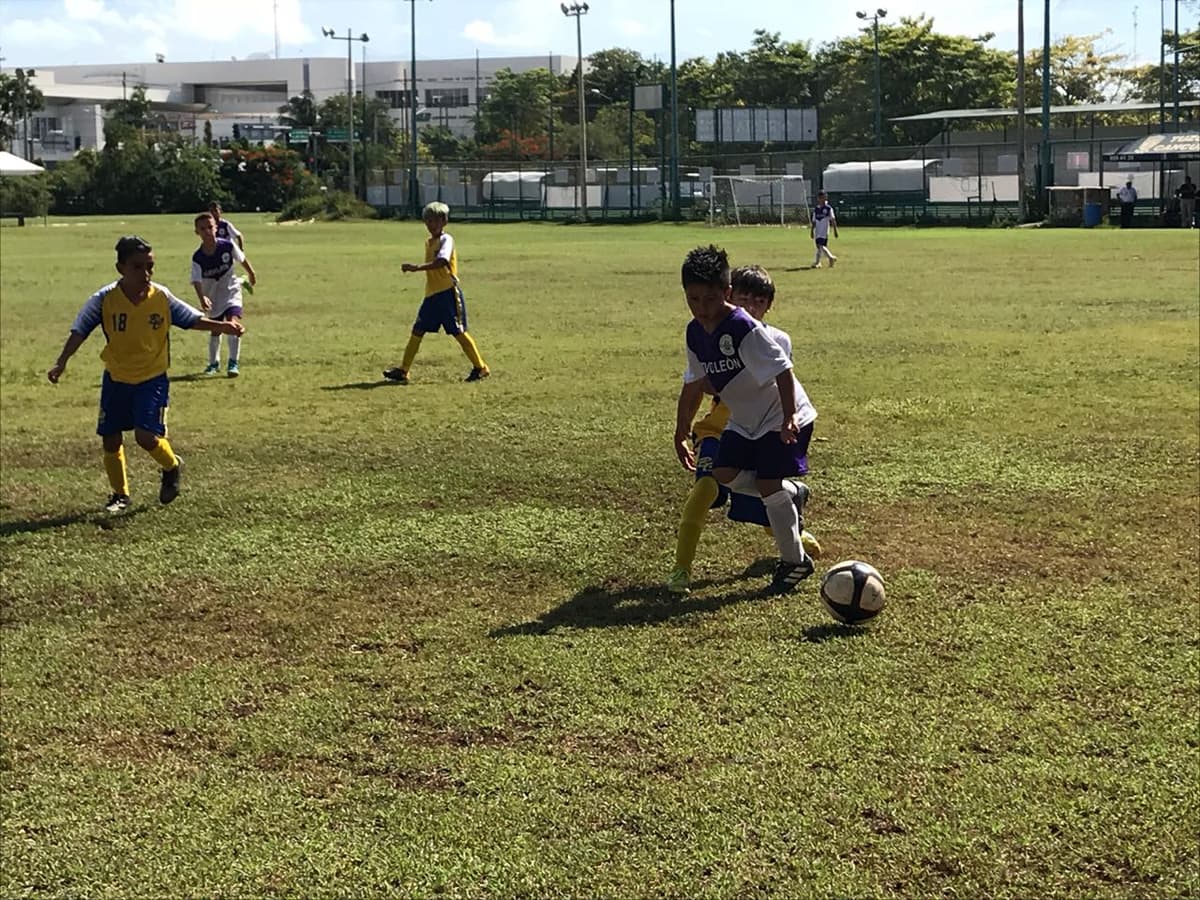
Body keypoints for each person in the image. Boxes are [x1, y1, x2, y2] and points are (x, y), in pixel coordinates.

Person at [46, 235, 245, 513]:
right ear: (121, 268)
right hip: (116, 376)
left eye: (150, 266)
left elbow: (191, 319)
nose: (146, 273)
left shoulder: (161, 296)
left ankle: (172, 466)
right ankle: (120, 495)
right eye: (138, 267)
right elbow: (80, 330)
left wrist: (223, 327)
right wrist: (62, 362)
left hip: (152, 377)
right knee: (111, 437)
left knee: (145, 437)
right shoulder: (104, 300)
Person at [667, 263, 821, 595]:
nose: (702, 308)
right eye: (693, 299)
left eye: (710, 299)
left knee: (766, 483)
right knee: (724, 474)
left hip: (782, 415)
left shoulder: (744, 329)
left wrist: (789, 417)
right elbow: (693, 385)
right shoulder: (695, 332)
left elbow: (783, 370)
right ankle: (791, 493)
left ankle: (795, 561)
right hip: (744, 419)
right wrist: (681, 431)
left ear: (726, 295)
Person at [383, 201, 489, 385]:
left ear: (444, 221)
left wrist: (416, 268)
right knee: (417, 330)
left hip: (447, 293)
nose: (430, 225)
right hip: (432, 295)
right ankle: (403, 371)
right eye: (427, 221)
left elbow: (441, 262)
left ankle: (480, 367)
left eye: (434, 221)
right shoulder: (429, 242)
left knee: (458, 332)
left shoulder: (446, 240)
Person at [191, 211, 256, 377]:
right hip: (212, 296)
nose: (207, 231)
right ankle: (214, 363)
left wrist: (251, 273)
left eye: (210, 227)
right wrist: (202, 297)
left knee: (232, 323)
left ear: (216, 228)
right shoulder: (198, 257)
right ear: (197, 232)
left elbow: (241, 259)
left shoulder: (227, 245)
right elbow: (196, 280)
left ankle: (233, 363)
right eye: (202, 228)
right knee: (216, 329)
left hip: (231, 290)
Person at [809, 190, 839, 268]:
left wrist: (835, 230)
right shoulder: (816, 209)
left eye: (823, 197)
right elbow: (814, 221)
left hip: (824, 231)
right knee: (819, 247)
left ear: (825, 198)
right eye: (820, 198)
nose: (821, 199)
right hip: (817, 231)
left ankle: (830, 257)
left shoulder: (828, 208)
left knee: (821, 246)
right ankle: (818, 262)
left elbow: (832, 219)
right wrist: (812, 230)